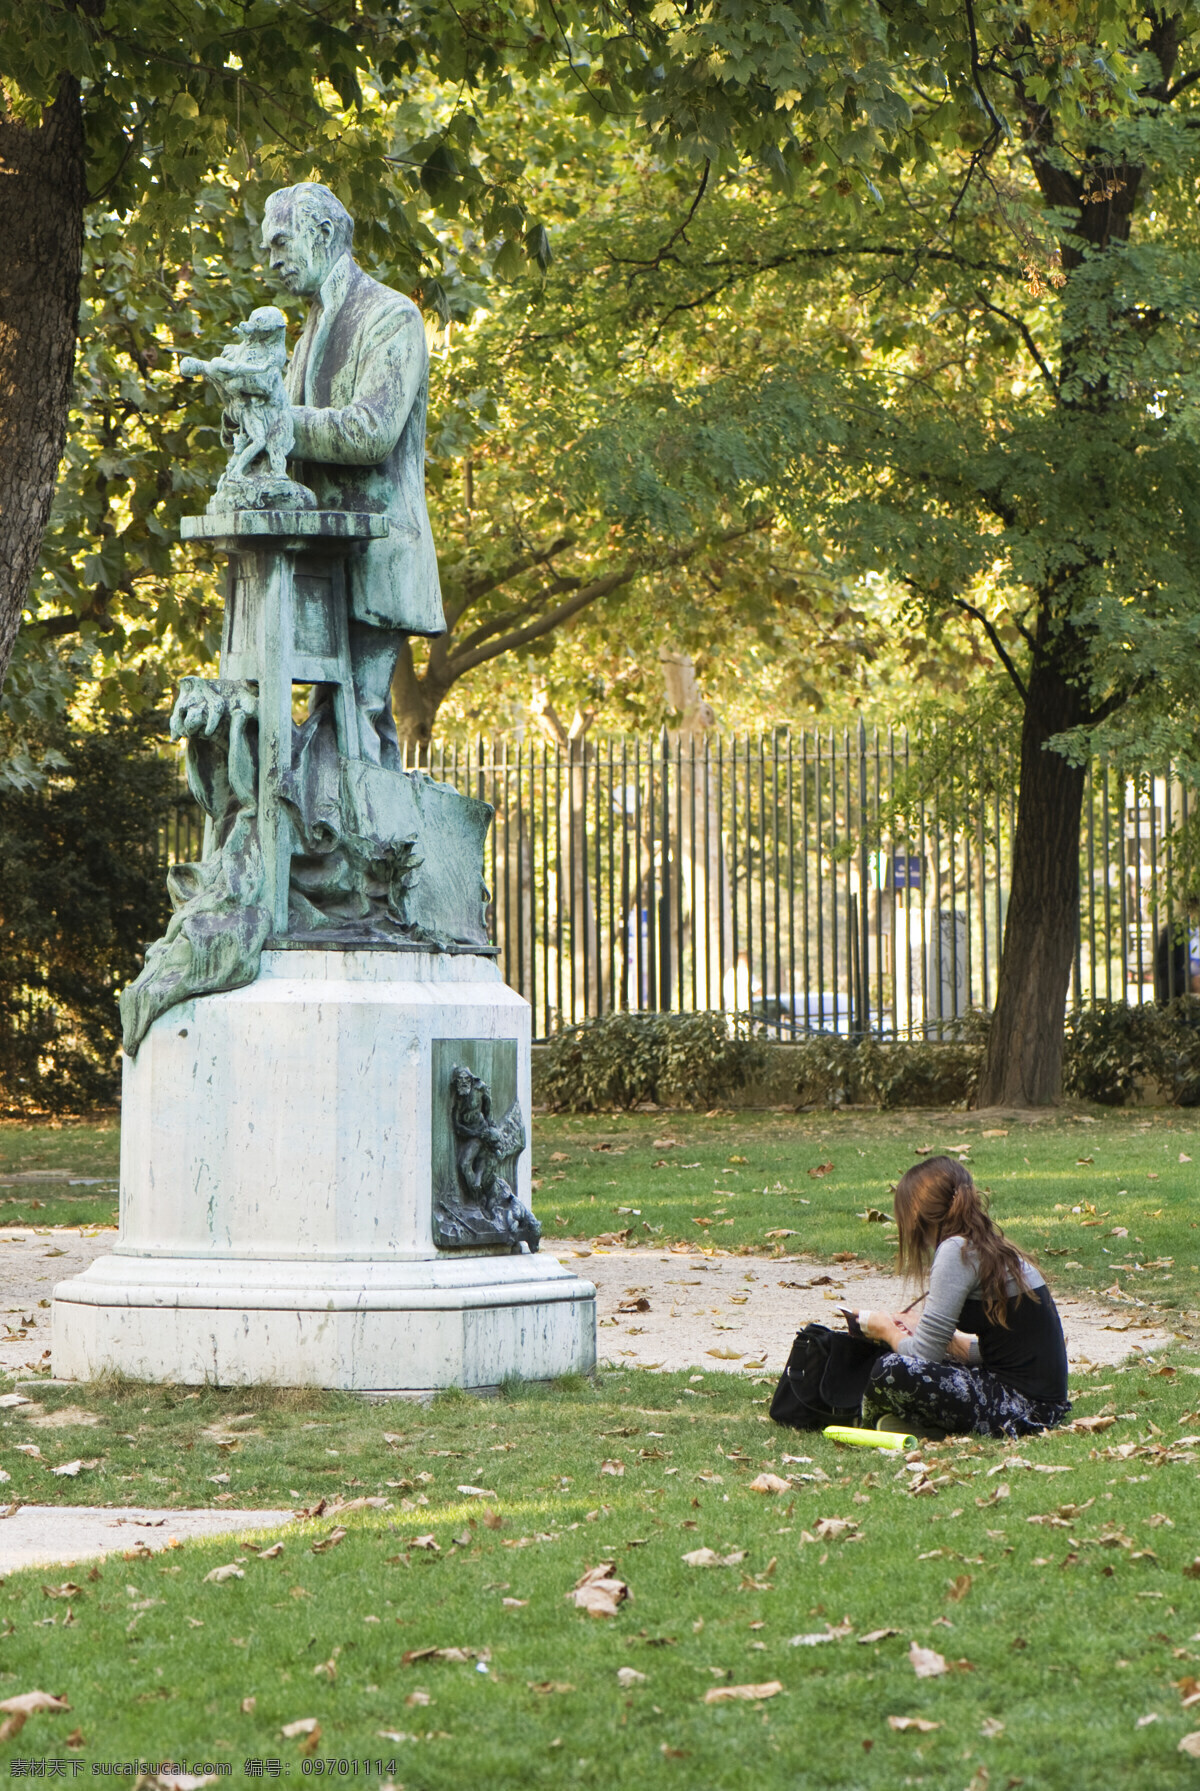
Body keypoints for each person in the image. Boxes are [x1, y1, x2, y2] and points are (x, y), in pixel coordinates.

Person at [261, 180, 446, 766]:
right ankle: (374, 847)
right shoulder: (309, 329)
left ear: (322, 234)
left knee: (353, 723)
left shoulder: (390, 316)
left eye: (281, 242)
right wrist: (248, 425)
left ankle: (376, 846)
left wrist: (277, 423)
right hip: (324, 555)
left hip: (377, 552)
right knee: (339, 724)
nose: (274, 261)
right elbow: (282, 432)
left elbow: (371, 431)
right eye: (268, 250)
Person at [859, 1156, 1070, 1439]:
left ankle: (883, 1417)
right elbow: (1012, 1350)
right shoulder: (987, 1244)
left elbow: (923, 1356)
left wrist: (886, 1329)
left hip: (1024, 1409)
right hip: (1041, 1403)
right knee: (912, 1360)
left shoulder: (955, 1250)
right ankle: (924, 1425)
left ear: (916, 1216)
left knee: (889, 1368)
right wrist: (950, 1343)